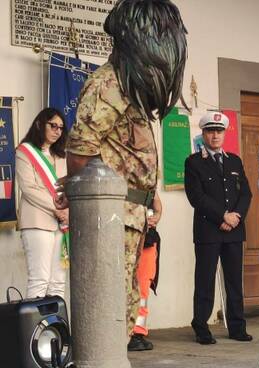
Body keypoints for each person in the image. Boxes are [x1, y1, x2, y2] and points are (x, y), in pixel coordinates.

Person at [55, 0, 188, 338]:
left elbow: (125, 152)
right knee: (107, 310)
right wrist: (80, 194)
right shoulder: (108, 84)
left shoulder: (130, 86)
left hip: (130, 213)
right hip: (111, 216)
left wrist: (149, 195)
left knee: (123, 307)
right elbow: (81, 152)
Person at [184, 111, 253, 345]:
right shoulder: (193, 162)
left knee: (234, 280)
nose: (215, 135)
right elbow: (196, 197)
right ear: (203, 133)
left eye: (219, 131)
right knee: (205, 280)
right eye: (210, 131)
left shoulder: (235, 161)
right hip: (208, 230)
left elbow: (245, 193)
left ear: (224, 134)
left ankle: (237, 326)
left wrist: (236, 217)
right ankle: (201, 326)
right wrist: (222, 215)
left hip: (234, 230)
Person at [15, 108, 68, 299]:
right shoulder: (25, 151)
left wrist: (67, 210)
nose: (57, 131)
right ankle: (36, 329)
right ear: (40, 124)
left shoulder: (61, 155)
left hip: (61, 225)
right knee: (40, 279)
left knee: (58, 282)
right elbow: (29, 188)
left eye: (61, 128)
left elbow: (66, 189)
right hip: (38, 221)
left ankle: (54, 329)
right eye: (53, 125)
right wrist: (58, 208)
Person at [128, 192, 162, 351]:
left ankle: (138, 333)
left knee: (143, 287)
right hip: (129, 236)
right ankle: (129, 334)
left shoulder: (147, 179)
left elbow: (157, 203)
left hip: (148, 238)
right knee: (129, 286)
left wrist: (156, 216)